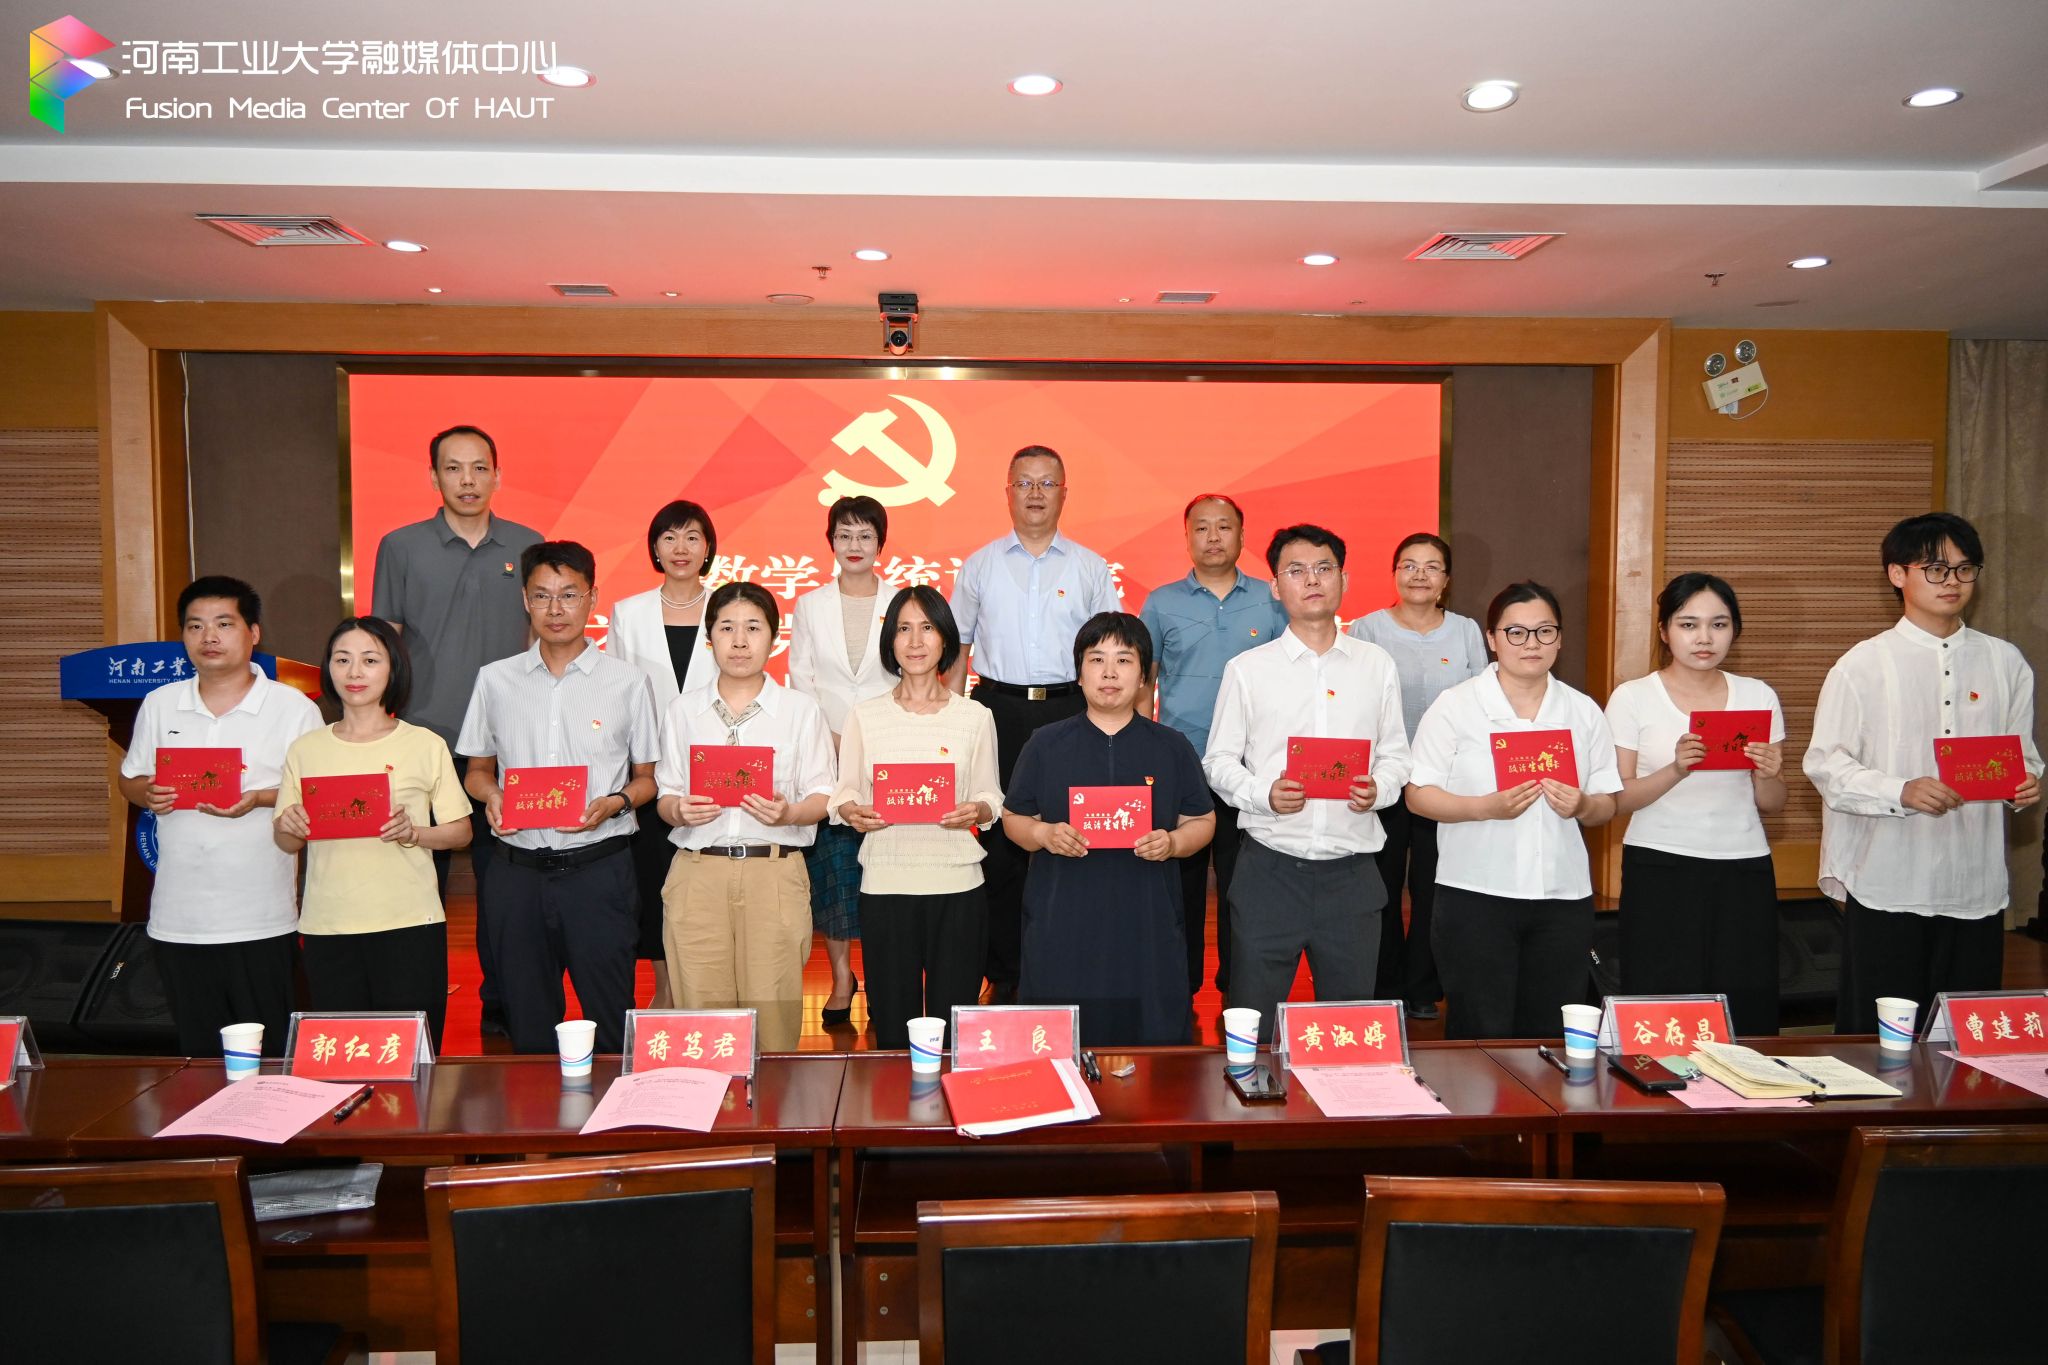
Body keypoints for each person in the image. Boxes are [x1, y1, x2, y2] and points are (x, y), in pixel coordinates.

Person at [1804, 513, 2042, 1034]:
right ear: (1897, 574)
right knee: (1877, 1045)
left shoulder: (2005, 661)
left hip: (1973, 882)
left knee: (1964, 1038)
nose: (1952, 581)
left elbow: (2021, 756)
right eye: (1935, 569)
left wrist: (2024, 785)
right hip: (1890, 879)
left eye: (1964, 569)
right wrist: (1900, 791)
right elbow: (1826, 764)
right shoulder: (1862, 664)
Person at [1204, 525, 1412, 1044]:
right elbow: (1219, 761)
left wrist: (1380, 789)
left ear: (1344, 579)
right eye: (1296, 571)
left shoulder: (1376, 665)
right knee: (1251, 1029)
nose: (1311, 580)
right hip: (1270, 871)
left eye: (1324, 568)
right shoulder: (1248, 669)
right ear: (1276, 587)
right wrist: (1263, 794)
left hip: (1352, 874)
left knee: (1348, 1033)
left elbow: (1396, 755)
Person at [371, 424, 542, 1036]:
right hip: (425, 735)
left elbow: (541, 638)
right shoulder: (401, 546)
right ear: (434, 476)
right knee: (423, 875)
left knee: (507, 880)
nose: (467, 480)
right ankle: (416, 1006)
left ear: (497, 475)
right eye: (453, 468)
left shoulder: (527, 544)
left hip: (508, 740)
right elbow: (383, 641)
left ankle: (504, 999)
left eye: (479, 468)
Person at [457, 541, 658, 1056]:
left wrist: (615, 803)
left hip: (599, 872)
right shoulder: (495, 680)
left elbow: (647, 780)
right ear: (525, 600)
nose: (556, 608)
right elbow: (477, 770)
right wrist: (491, 795)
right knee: (528, 1028)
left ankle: (613, 1109)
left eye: (569, 594)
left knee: (610, 1023)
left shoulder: (628, 682)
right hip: (516, 874)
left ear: (593, 598)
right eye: (543, 595)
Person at [1405, 581, 1622, 1040]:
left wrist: (1583, 804)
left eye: (1545, 631)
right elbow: (1418, 794)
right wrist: (1483, 807)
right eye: (1516, 632)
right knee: (1479, 1032)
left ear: (1560, 639)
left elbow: (1607, 803)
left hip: (1562, 899)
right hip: (1475, 895)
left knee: (1548, 1033)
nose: (1531, 644)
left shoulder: (1582, 711)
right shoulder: (1456, 706)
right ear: (1492, 638)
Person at [117, 576, 321, 1056]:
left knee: (268, 1056)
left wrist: (259, 798)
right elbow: (130, 779)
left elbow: (315, 795)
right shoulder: (161, 703)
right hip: (178, 916)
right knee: (197, 1057)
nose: (208, 636)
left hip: (261, 918)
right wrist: (149, 793)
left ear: (254, 633)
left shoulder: (293, 708)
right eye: (195, 626)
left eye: (224, 624)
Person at [948, 445, 1121, 1004]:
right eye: (1025, 483)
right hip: (997, 709)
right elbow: (958, 650)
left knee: (1074, 835)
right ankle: (1006, 974)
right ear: (1008, 492)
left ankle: (1071, 963)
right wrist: (950, 727)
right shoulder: (980, 565)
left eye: (1048, 483)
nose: (1036, 493)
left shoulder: (1090, 567)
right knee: (1001, 843)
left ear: (1065, 493)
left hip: (1071, 711)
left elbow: (1113, 652)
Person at [1002, 612, 1214, 1045]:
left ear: (1144, 676)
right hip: (1064, 920)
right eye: (1097, 660)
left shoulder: (1172, 746)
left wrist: (1174, 842)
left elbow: (1203, 821)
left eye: (1124, 660)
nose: (1110, 672)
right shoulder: (1045, 743)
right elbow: (1013, 818)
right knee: (1060, 1046)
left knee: (1152, 1056)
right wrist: (1043, 835)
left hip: (1147, 922)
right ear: (1079, 674)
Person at [273, 616, 473, 1049]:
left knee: (408, 1057)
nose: (354, 672)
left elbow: (460, 832)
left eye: (369, 660)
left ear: (393, 668)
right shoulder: (306, 749)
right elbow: (287, 841)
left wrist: (413, 832)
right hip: (328, 927)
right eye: (342, 659)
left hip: (410, 924)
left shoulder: (425, 744)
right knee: (339, 1056)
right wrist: (288, 825)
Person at [656, 582, 836, 1052]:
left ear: (774, 638)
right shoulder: (683, 711)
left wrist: (789, 812)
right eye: (727, 628)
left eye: (753, 628)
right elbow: (665, 795)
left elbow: (823, 794)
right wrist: (679, 809)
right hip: (699, 874)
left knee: (772, 1019)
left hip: (773, 874)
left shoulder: (800, 711)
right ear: (709, 638)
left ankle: (769, 1101)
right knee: (702, 1020)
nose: (739, 641)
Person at [1607, 574, 1787, 1033]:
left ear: (1734, 630)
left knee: (1745, 999)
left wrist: (1768, 773)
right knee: (1662, 1002)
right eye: (1688, 624)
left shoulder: (1757, 695)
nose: (1704, 638)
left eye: (1718, 624)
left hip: (1744, 865)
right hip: (1660, 864)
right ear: (1665, 631)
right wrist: (1675, 769)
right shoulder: (1633, 697)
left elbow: (1772, 802)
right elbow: (1617, 798)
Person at [831, 587, 1002, 1048]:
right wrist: (852, 811)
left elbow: (990, 794)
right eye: (903, 629)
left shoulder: (974, 716)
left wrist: (978, 809)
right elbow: (845, 791)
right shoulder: (865, 716)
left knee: (955, 1024)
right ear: (890, 641)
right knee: (891, 1024)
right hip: (886, 885)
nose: (915, 640)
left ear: (945, 638)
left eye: (927, 628)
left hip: (958, 885)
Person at [1139, 493, 1288, 998]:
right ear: (1187, 537)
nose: (1213, 536)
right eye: (1201, 527)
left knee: (1240, 885)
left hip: (1249, 768)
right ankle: (1177, 988)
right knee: (1177, 884)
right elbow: (1144, 681)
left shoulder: (1271, 599)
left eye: (1224, 526)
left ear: (1242, 536)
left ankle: (1237, 990)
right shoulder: (1161, 602)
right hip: (1179, 762)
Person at [1346, 533, 1489, 1020]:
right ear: (1394, 574)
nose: (1420, 575)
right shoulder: (1366, 629)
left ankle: (1423, 984)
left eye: (1432, 567)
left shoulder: (1466, 631)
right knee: (1381, 884)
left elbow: (1480, 700)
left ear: (1446, 579)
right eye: (1409, 565)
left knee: (1433, 885)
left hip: (1443, 781)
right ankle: (1384, 982)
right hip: (1383, 777)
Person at [607, 499, 721, 1010]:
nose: (681, 548)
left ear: (708, 548)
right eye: (669, 537)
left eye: (692, 537)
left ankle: (706, 982)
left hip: (715, 767)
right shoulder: (628, 613)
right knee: (654, 880)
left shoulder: (728, 608)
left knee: (706, 877)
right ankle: (667, 986)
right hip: (649, 767)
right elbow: (615, 693)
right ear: (654, 548)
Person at [789, 495, 896, 1026]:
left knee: (881, 868)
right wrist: (829, 738)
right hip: (826, 753)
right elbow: (800, 676)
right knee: (832, 872)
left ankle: (881, 973)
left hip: (890, 753)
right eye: (844, 535)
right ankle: (839, 977)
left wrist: (875, 739)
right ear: (830, 541)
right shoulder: (810, 605)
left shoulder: (902, 602)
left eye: (865, 535)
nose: (855, 545)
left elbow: (912, 670)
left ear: (881, 543)